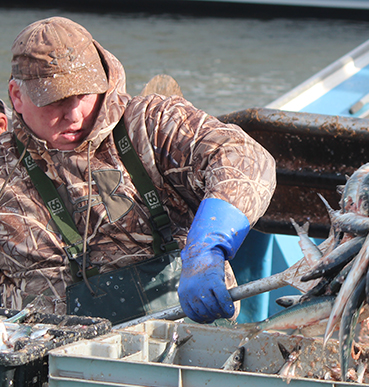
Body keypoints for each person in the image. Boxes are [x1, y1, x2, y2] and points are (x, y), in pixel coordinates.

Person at [0, 17, 276, 324]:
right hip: (55, 360)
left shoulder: (151, 124)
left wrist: (208, 245)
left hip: (187, 337)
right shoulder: (4, 170)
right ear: (16, 96)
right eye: (56, 100)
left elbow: (245, 157)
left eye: (84, 95)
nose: (74, 114)